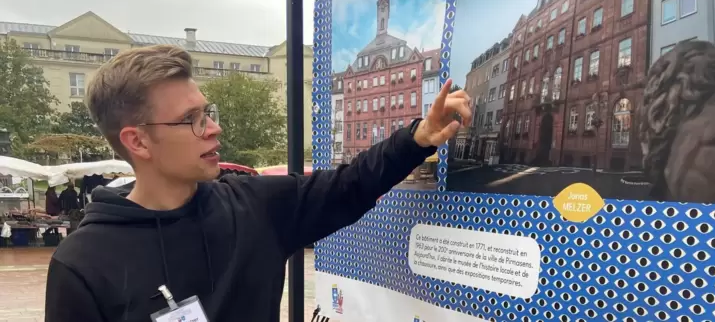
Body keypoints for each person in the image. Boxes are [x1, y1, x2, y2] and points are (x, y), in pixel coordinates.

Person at [44, 44, 471, 321]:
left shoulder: (256, 207)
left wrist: (418, 139)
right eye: (191, 120)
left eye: (207, 112)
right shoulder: (83, 265)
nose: (213, 129)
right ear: (137, 141)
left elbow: (349, 185)